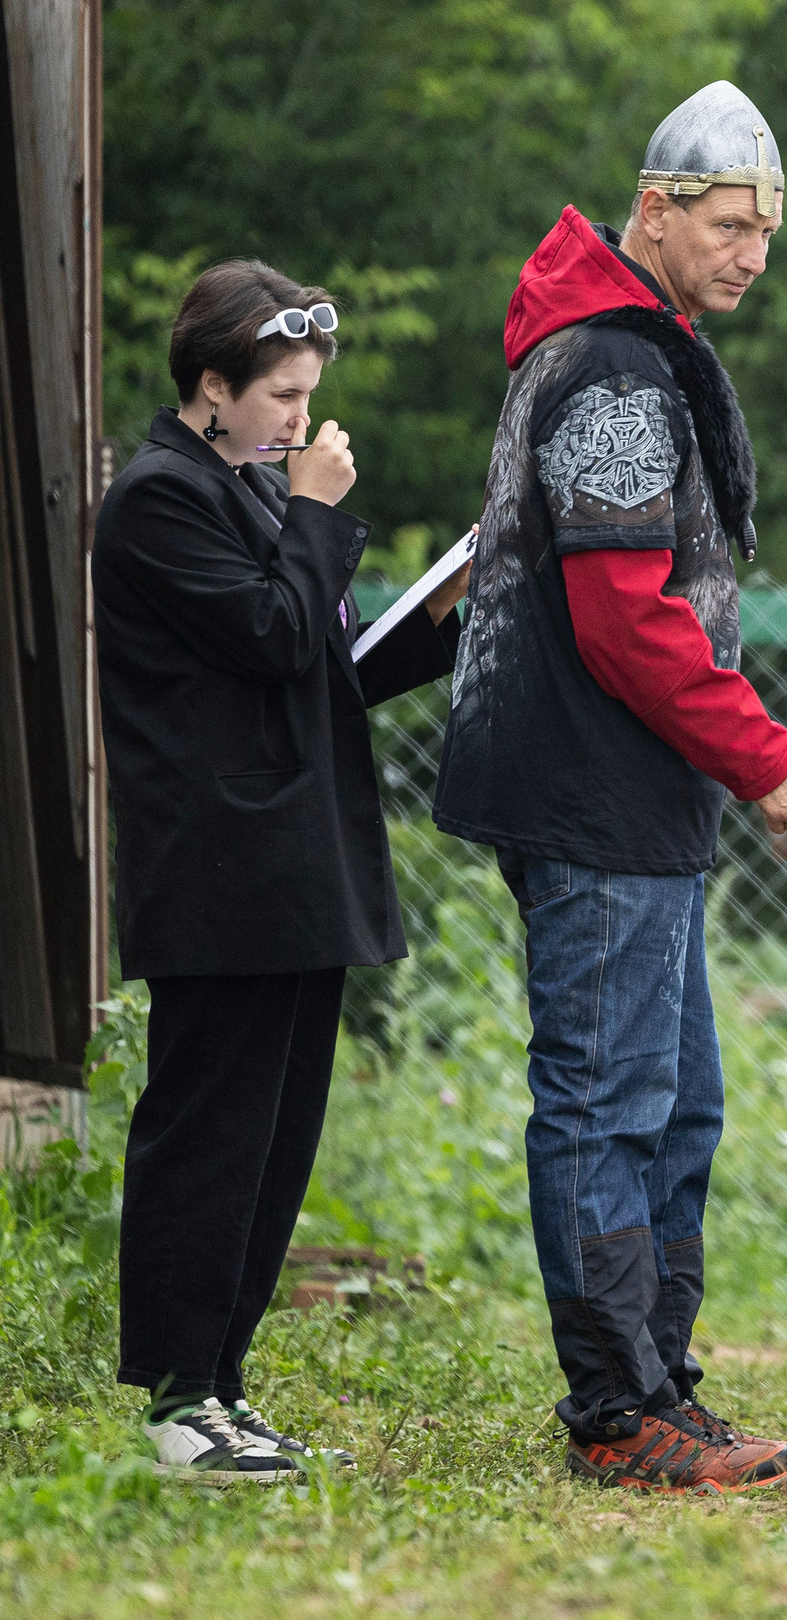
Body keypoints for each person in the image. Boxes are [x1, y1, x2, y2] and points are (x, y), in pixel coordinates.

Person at [434, 80, 787, 1493]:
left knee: (678, 1106)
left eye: (765, 234)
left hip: (639, 799)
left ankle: (661, 1382)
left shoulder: (631, 345)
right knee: (609, 1102)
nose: (750, 255)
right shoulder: (609, 366)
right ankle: (617, 1410)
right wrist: (768, 755)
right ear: (656, 212)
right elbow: (627, 618)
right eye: (729, 225)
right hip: (594, 790)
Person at [94, 260, 468, 1482]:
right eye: (283, 397)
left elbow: (323, 666)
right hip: (218, 874)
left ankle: (225, 1381)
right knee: (206, 1132)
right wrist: (312, 508)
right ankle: (172, 1393)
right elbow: (268, 632)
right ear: (213, 387)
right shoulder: (159, 499)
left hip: (298, 868)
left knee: (274, 1141)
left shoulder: (247, 491)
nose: (301, 421)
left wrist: (437, 615)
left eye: (308, 397)